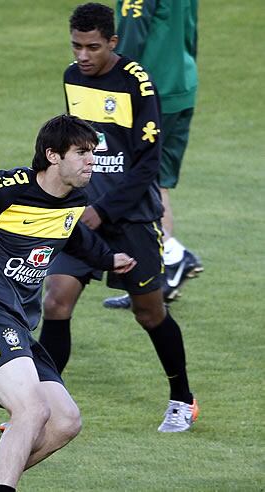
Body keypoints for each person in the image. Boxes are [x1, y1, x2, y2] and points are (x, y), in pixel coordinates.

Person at [0, 114, 135, 492]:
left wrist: (107, 259)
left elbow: (71, 232)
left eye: (93, 152)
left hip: (15, 321)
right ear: (52, 155)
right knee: (31, 410)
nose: (92, 161)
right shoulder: (3, 190)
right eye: (82, 152)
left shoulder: (74, 199)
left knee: (65, 421)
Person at [38, 3, 199, 433]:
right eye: (76, 46)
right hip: (83, 213)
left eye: (93, 47)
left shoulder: (138, 85)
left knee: (149, 312)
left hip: (129, 219)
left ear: (113, 42)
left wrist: (103, 210)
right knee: (55, 300)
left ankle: (182, 398)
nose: (83, 56)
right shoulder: (72, 77)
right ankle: (43, 406)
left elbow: (148, 165)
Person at [104, 0, 202, 309]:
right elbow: (190, 31)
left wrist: (114, 84)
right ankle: (158, 278)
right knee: (156, 182)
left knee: (136, 179)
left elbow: (132, 32)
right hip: (182, 84)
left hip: (151, 91)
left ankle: (172, 254)